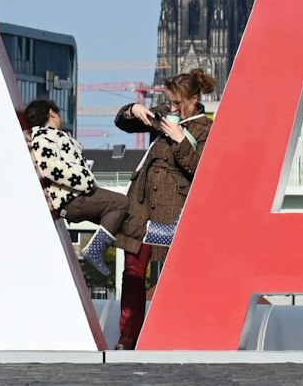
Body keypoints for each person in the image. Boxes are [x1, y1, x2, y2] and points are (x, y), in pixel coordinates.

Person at [107, 68, 215, 348]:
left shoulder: (207, 128)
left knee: (176, 273)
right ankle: (127, 337)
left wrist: (180, 139)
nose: (173, 107)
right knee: (132, 272)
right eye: (170, 102)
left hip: (174, 208)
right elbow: (124, 123)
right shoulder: (165, 112)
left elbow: (200, 167)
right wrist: (133, 110)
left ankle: (176, 333)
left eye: (178, 103)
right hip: (140, 204)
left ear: (194, 99)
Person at [20, 99, 131, 280]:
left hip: (75, 198)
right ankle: (95, 250)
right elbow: (49, 167)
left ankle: (164, 234)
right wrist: (84, 181)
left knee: (125, 222)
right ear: (52, 113)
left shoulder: (54, 136)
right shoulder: (43, 136)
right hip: (73, 198)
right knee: (120, 202)